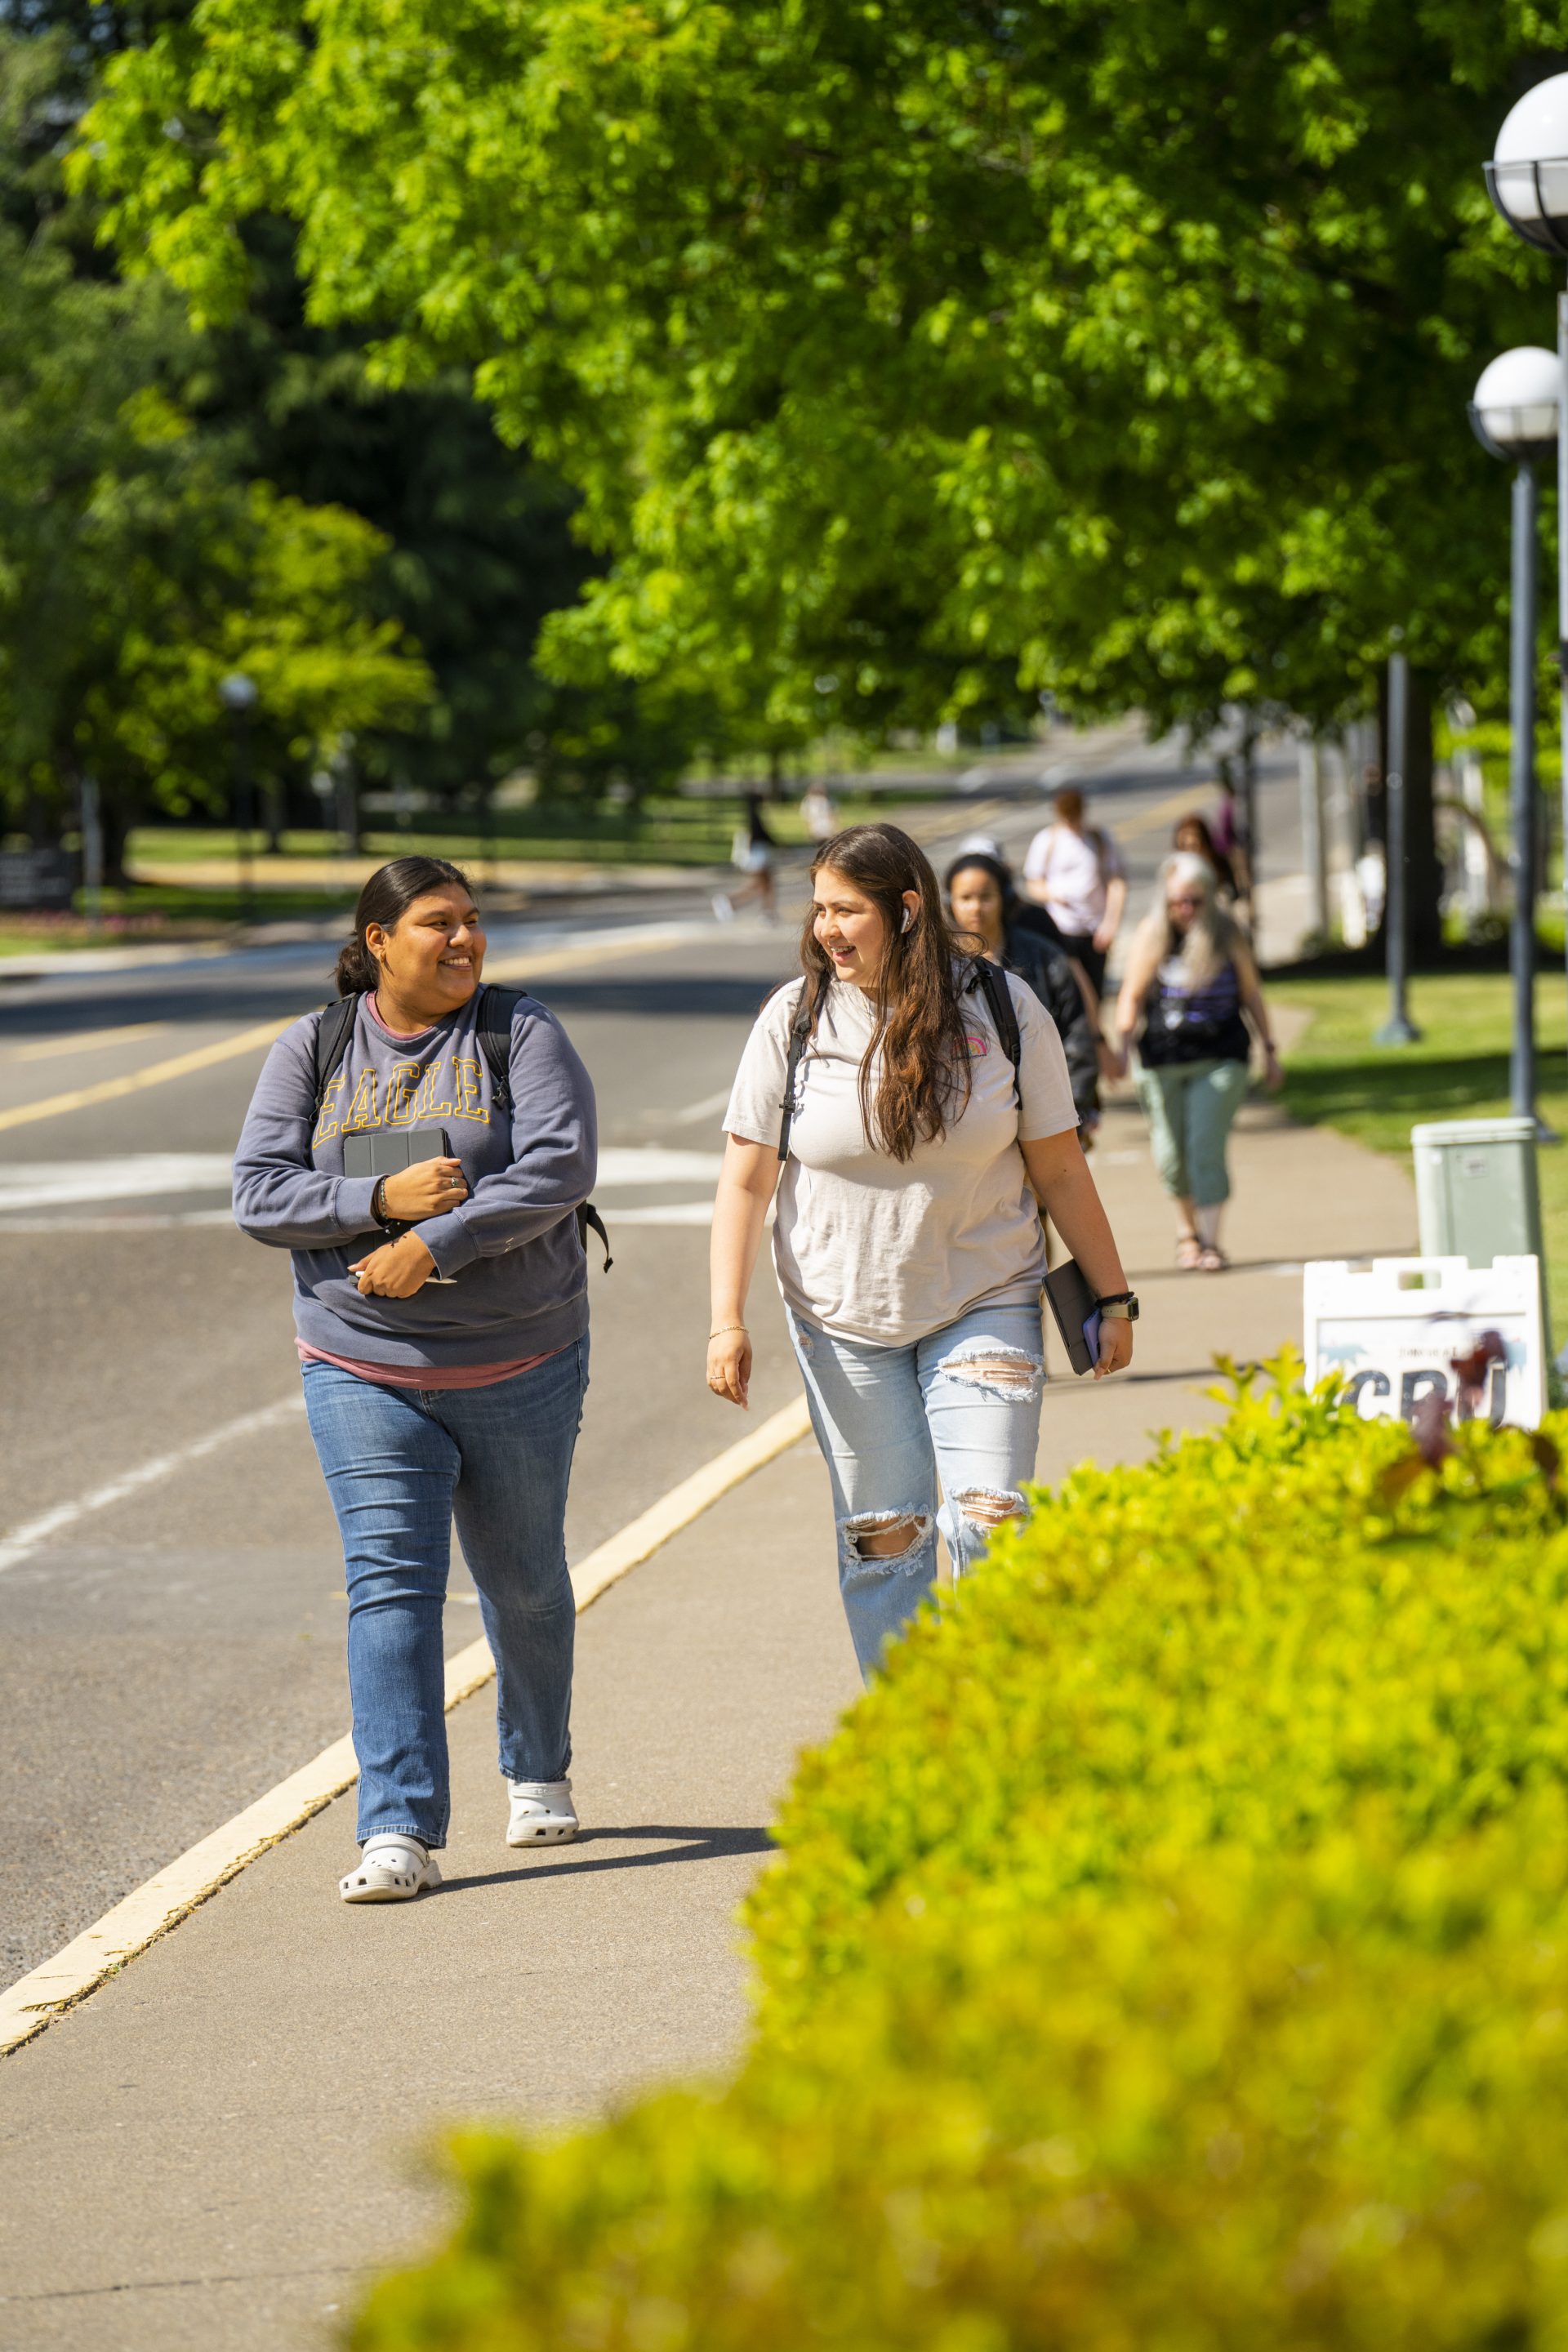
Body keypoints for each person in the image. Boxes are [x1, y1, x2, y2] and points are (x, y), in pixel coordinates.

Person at [233, 856, 598, 1904]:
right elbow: (260, 1194)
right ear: (379, 942)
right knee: (389, 1581)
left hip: (519, 1355)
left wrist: (437, 1242)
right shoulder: (314, 1048)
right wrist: (374, 1198)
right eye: (438, 924)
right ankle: (397, 1828)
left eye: (473, 922)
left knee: (522, 1579)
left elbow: (560, 1168)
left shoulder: (518, 1033)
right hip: (360, 1361)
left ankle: (537, 1770)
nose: (464, 941)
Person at [708, 822, 1136, 1679]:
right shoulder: (792, 1020)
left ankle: (992, 1730)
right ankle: (910, 1737)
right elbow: (746, 1180)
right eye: (820, 909)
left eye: (847, 911)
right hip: (841, 1319)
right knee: (885, 1541)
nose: (827, 929)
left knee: (991, 1518)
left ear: (906, 910)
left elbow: (1058, 1165)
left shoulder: (1003, 1007)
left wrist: (1114, 1296)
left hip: (986, 1298)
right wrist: (725, 1321)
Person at [1113, 852, 1281, 1273]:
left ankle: (1209, 1241)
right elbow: (1131, 995)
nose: (1185, 910)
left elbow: (1251, 993)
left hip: (1220, 1056)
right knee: (1171, 1155)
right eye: (1177, 902)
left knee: (1204, 1145)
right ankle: (1186, 1233)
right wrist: (1120, 1045)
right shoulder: (1153, 933)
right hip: (1161, 1057)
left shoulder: (1228, 934)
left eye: (1194, 901)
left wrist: (1270, 1049)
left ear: (1209, 898)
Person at [943, 848, 1102, 1140]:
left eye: (985, 897)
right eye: (965, 898)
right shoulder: (935, 967)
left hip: (1047, 1122)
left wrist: (1071, 1116)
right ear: (949, 902)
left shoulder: (1044, 957)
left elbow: (1076, 1040)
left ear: (1005, 898)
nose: (976, 908)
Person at [1021, 787, 1126, 996]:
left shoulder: (1099, 839)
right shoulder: (1047, 841)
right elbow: (1033, 884)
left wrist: (1110, 924)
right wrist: (1054, 895)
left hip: (1094, 929)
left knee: (1095, 990)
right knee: (1069, 991)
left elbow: (1117, 883)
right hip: (1062, 929)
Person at [714, 793, 777, 924]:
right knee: (761, 885)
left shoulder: (752, 816)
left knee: (765, 885)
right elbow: (762, 835)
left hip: (758, 854)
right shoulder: (755, 817)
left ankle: (767, 912)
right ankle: (730, 900)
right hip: (759, 855)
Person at [1173, 811, 1238, 902]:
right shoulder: (1174, 870)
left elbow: (1231, 894)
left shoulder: (1218, 865)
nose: (1190, 853)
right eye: (1184, 846)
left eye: (1194, 846)